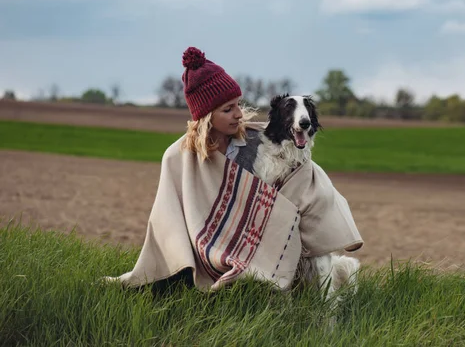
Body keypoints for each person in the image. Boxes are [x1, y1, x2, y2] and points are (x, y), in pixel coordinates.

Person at [104, 47, 362, 292]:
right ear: (206, 117)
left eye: (239, 105)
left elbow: (296, 182)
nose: (239, 114)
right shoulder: (177, 157)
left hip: (257, 249)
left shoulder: (256, 143)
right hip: (204, 247)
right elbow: (168, 217)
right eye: (228, 109)